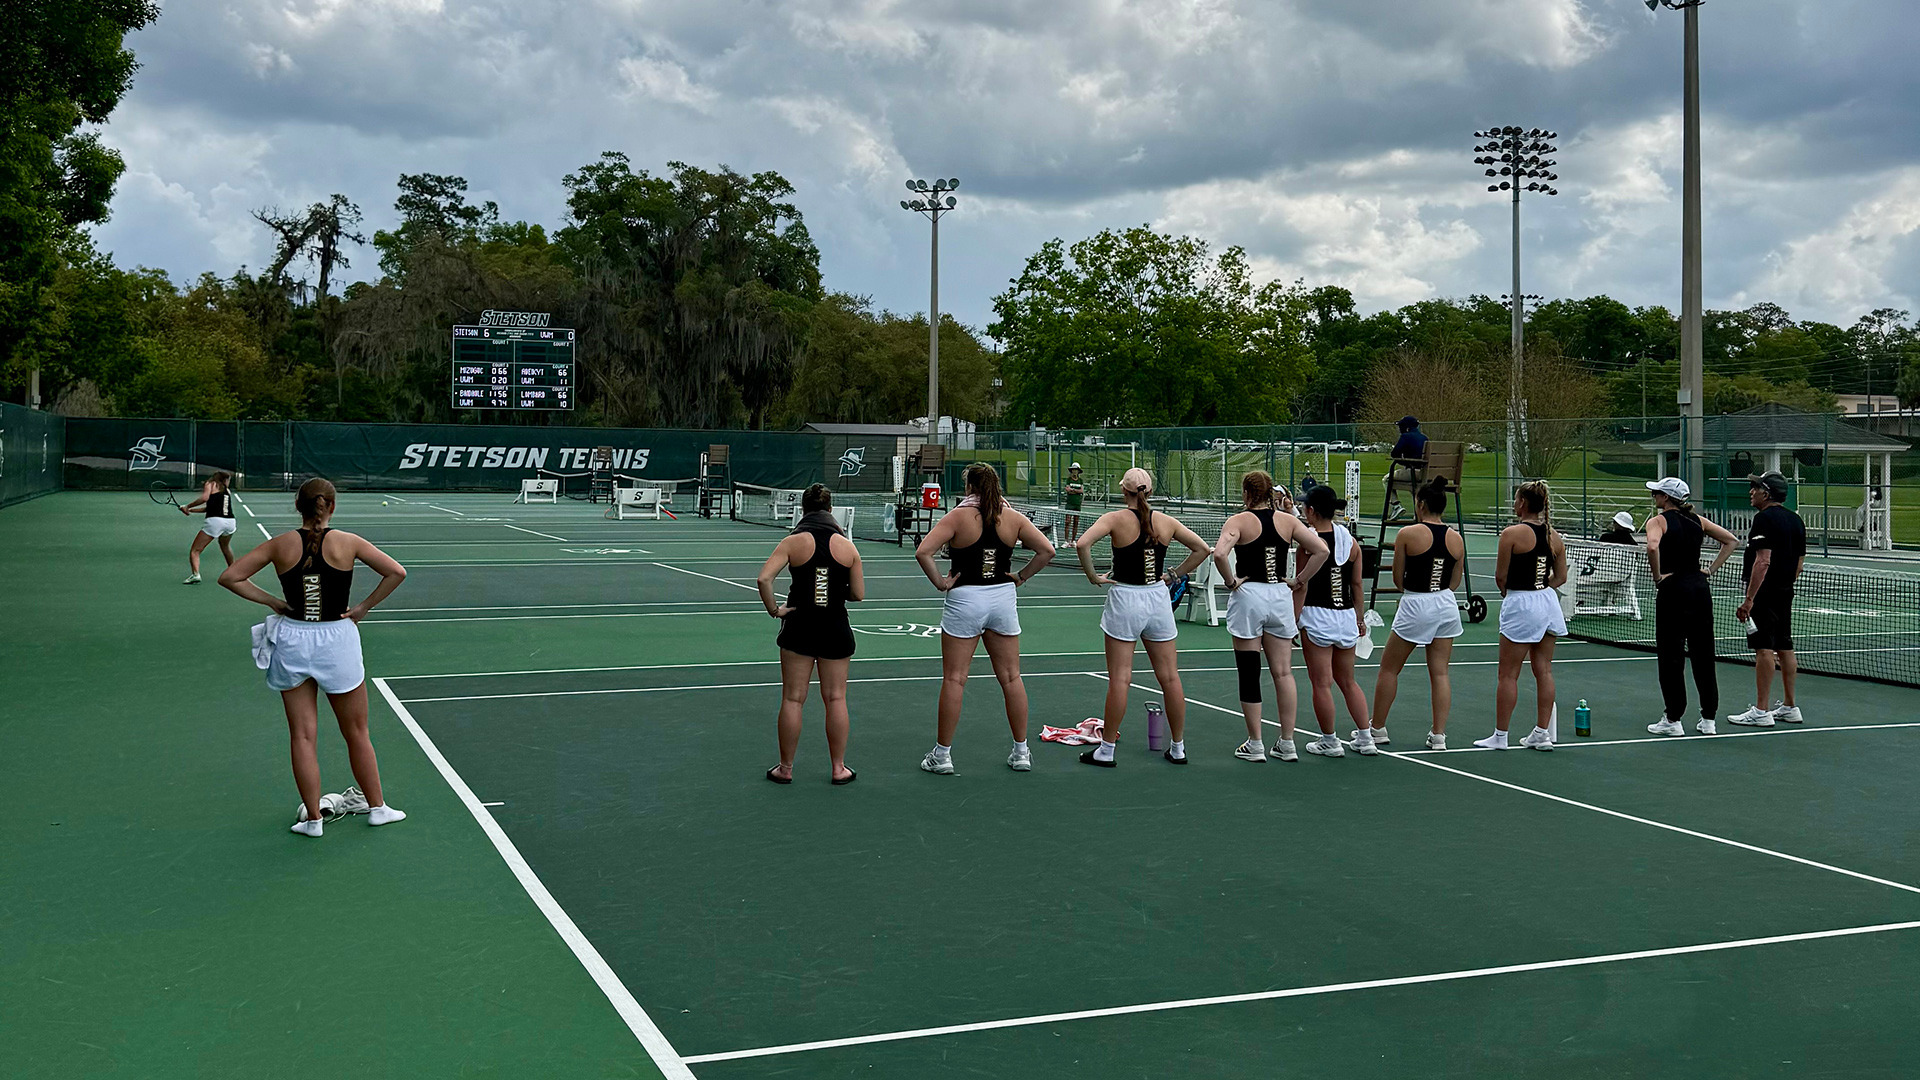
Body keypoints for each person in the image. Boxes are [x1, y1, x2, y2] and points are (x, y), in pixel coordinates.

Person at [217, 478, 408, 836]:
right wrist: (363, 608)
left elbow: (230, 577)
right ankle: (378, 808)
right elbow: (396, 572)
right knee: (357, 731)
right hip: (338, 640)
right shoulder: (348, 542)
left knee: (302, 736)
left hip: (293, 639)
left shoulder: (281, 544)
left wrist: (273, 601)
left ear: (298, 507)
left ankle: (314, 821)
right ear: (331, 506)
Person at [915, 463, 1057, 774]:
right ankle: (1021, 752)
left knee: (955, 678)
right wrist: (1020, 576)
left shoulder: (958, 517)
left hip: (966, 598)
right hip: (1002, 599)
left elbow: (923, 551)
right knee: (1011, 677)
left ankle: (942, 756)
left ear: (970, 488)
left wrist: (940, 582)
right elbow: (1047, 551)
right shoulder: (1013, 517)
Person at [1075, 467, 1210, 768]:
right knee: (1170, 678)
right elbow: (1202, 549)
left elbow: (1083, 544)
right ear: (1149, 491)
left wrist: (1093, 576)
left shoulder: (1115, 519)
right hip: (1157, 598)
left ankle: (1107, 749)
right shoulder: (1166, 521)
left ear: (1124, 491)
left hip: (1126, 597)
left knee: (1120, 678)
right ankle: (1178, 748)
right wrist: (1174, 574)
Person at [1212, 471, 1328, 763]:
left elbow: (1219, 554)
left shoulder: (1238, 521)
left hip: (1249, 594)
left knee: (1249, 670)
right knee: (1283, 671)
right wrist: (1299, 580)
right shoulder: (1288, 521)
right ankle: (1287, 742)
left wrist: (1230, 582)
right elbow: (1321, 549)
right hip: (1278, 596)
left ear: (1247, 494)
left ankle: (1255, 743)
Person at [756, 484, 865, 785]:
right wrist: (833, 589)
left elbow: (764, 578)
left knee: (793, 699)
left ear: (803, 509)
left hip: (799, 626)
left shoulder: (793, 541)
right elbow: (858, 593)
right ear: (831, 510)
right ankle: (838, 768)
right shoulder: (847, 547)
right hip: (834, 628)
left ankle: (785, 768)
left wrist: (774, 609)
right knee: (836, 698)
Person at [1369, 475, 1466, 751]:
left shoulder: (1408, 534)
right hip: (1446, 605)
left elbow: (1398, 579)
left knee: (1389, 668)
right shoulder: (1456, 539)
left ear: (1421, 505)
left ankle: (1377, 728)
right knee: (1440, 673)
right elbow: (1454, 582)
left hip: (1416, 603)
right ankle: (1439, 735)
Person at [1475, 480, 1568, 751]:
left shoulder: (1511, 534)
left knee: (1507, 674)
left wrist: (1522, 595)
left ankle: (1500, 736)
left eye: (1516, 500)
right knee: (1544, 670)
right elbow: (1560, 577)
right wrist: (1540, 588)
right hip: (1548, 604)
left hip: (1522, 603)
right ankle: (1542, 733)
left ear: (1523, 504)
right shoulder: (1555, 536)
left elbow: (1500, 577)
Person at [1642, 477, 1738, 737]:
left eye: (1657, 493)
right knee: (1704, 655)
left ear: (1666, 498)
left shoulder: (1658, 521)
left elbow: (1652, 546)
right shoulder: (1698, 521)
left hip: (1673, 590)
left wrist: (1658, 576)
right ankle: (1709, 719)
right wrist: (1709, 570)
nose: (1654, 497)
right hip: (1699, 590)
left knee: (1671, 656)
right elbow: (1731, 541)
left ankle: (1673, 719)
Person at [1294, 485, 1372, 757]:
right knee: (1348, 681)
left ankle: (1330, 740)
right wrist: (1360, 619)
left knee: (1321, 682)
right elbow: (1357, 584)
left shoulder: (1308, 542)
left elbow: (1301, 584)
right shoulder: (1351, 542)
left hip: (1317, 616)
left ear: (1312, 511)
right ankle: (1366, 737)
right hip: (1346, 616)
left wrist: (1293, 621)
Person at [1728, 471, 1807, 727]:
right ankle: (1790, 706)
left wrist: (1750, 599)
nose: (1751, 492)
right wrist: (1784, 585)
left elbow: (1763, 561)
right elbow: (1799, 565)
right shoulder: (1796, 521)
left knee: (1764, 648)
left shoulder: (1763, 519)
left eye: (1756, 488)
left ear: (1767, 493)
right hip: (1785, 592)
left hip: (1765, 594)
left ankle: (1761, 711)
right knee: (1785, 646)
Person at [181, 471, 238, 584]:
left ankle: (195, 574)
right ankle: (235, 572)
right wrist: (190, 510)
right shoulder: (227, 491)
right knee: (225, 546)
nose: (228, 482)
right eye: (228, 479)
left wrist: (188, 505)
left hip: (215, 522)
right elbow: (210, 508)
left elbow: (204, 498)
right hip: (230, 522)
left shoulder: (210, 484)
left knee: (195, 550)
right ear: (223, 479)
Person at [1384, 416, 1428, 521]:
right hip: (1426, 473)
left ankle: (1396, 505)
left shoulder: (1406, 437)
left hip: (1413, 472)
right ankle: (1419, 513)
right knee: (1415, 488)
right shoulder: (1425, 438)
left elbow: (1395, 454)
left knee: (1386, 479)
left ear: (1406, 427)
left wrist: (1404, 462)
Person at [1062, 462, 1086, 545]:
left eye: (1076, 470)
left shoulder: (1080, 480)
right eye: (1073, 470)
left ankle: (1073, 541)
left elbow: (1082, 491)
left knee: (1076, 522)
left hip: (1077, 504)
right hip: (1069, 504)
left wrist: (1073, 490)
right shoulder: (1068, 480)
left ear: (1078, 471)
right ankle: (1066, 541)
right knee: (1067, 522)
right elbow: (1067, 490)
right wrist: (1076, 491)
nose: (1074, 472)